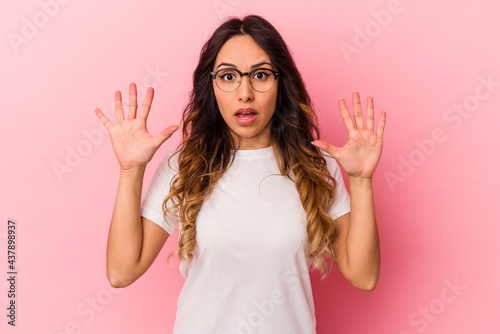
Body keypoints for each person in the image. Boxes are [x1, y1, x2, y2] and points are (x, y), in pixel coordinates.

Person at [95, 14, 386, 334]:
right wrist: (131, 170)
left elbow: (364, 276)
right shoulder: (184, 164)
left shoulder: (315, 164)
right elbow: (121, 272)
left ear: (281, 83)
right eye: (229, 76)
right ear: (212, 85)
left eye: (260, 75)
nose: (244, 92)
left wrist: (361, 181)